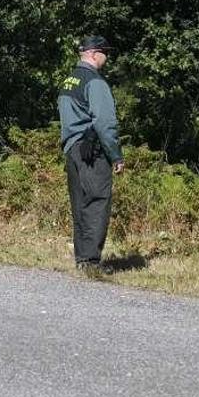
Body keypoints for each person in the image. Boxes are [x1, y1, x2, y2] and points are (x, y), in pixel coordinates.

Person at [58, 35, 124, 275]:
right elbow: (105, 122)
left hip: (72, 149)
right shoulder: (95, 82)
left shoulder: (69, 81)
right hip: (92, 152)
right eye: (106, 53)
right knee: (96, 202)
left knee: (79, 204)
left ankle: (82, 259)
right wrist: (115, 155)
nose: (107, 58)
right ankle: (92, 263)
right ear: (95, 53)